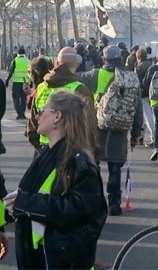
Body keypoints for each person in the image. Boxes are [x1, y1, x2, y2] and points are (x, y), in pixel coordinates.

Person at [3, 90, 107, 269]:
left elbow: (78, 209)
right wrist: (10, 210)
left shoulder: (78, 161)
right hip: (39, 256)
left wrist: (25, 203)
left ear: (57, 116)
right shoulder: (48, 153)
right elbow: (22, 196)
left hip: (59, 260)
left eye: (43, 110)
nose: (38, 115)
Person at [78, 45, 143, 216]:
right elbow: (137, 106)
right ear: (120, 58)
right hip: (120, 129)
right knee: (115, 169)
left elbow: (73, 79)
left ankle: (97, 201)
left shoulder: (95, 75)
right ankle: (114, 204)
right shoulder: (131, 77)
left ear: (104, 59)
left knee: (94, 166)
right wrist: (136, 133)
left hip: (97, 127)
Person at [27, 47, 97, 152]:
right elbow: (89, 125)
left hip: (43, 149)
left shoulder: (42, 87)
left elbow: (32, 122)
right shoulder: (80, 90)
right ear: (77, 65)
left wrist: (39, 148)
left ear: (56, 62)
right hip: (70, 150)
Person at [135, 47, 156, 145]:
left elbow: (137, 82)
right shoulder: (151, 65)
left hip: (143, 94)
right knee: (146, 116)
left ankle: (154, 137)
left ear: (138, 57)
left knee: (147, 116)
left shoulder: (139, 67)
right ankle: (140, 136)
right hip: (153, 93)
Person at [5, 47, 30, 120]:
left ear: (18, 53)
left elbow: (11, 72)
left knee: (16, 99)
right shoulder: (28, 61)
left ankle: (19, 113)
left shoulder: (15, 61)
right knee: (24, 99)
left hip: (16, 83)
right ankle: (22, 113)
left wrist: (7, 80)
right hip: (25, 82)